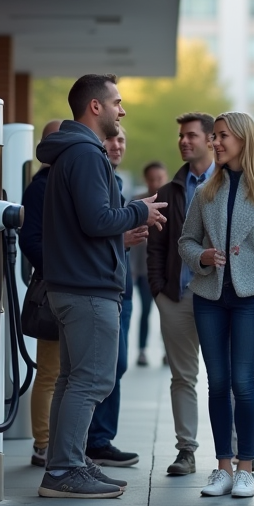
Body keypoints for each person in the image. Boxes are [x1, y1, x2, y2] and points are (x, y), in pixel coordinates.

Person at [35, 74, 166, 499]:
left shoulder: (71, 154)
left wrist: (122, 224)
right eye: (116, 102)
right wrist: (137, 211)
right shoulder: (87, 156)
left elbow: (85, 224)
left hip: (75, 285)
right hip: (87, 288)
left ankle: (64, 463)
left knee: (73, 379)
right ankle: (65, 469)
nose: (121, 110)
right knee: (91, 381)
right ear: (95, 107)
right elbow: (97, 219)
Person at [178, 112, 254, 498]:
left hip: (249, 300)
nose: (216, 143)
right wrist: (202, 257)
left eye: (222, 136)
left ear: (244, 139)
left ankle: (245, 466)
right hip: (210, 297)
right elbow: (185, 241)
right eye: (214, 137)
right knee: (217, 383)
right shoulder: (205, 191)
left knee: (243, 382)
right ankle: (222, 467)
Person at [146, 113, 218, 476]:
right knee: (182, 378)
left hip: (219, 297)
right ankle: (186, 451)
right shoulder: (171, 189)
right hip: (177, 297)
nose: (184, 141)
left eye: (191, 135)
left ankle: (238, 451)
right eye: (181, 136)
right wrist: (159, 292)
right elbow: (156, 246)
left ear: (209, 140)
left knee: (228, 377)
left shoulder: (229, 182)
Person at [84, 127, 146, 467]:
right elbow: (91, 230)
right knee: (95, 370)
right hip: (97, 288)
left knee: (115, 366)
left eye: (123, 139)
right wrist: (120, 242)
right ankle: (89, 441)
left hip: (121, 287)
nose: (117, 144)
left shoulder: (117, 183)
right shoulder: (92, 177)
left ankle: (101, 439)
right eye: (112, 139)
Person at [18, 119, 64, 468]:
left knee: (71, 372)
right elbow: (30, 240)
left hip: (76, 288)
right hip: (54, 290)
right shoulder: (40, 188)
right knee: (49, 371)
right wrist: (62, 268)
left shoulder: (68, 182)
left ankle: (65, 443)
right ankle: (43, 444)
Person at [133, 161, 168, 367]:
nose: (155, 183)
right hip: (144, 271)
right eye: (152, 179)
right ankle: (142, 350)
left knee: (166, 313)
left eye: (159, 179)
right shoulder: (137, 203)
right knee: (145, 310)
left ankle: (167, 350)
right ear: (146, 179)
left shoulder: (172, 202)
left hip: (165, 272)